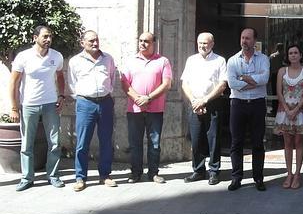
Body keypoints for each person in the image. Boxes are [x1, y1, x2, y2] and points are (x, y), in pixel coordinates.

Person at [8, 25, 66, 191]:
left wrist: (61, 95)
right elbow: (13, 82)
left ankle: (53, 175)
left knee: (54, 142)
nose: (48, 40)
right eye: (45, 36)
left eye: (50, 37)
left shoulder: (56, 56)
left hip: (50, 104)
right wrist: (14, 107)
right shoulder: (23, 57)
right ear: (35, 38)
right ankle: (27, 178)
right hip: (29, 105)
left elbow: (60, 76)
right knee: (27, 144)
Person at [68, 30, 117, 192]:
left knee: (106, 141)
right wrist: (82, 98)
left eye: (96, 40)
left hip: (105, 103)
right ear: (82, 43)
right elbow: (72, 83)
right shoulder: (75, 61)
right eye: (91, 41)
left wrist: (106, 93)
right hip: (85, 104)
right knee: (82, 143)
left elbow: (112, 78)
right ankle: (80, 177)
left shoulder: (108, 59)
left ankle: (105, 175)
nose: (95, 43)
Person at [121, 32, 172, 184]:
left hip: (155, 109)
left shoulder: (163, 61)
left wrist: (148, 98)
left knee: (154, 143)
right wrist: (137, 98)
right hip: (134, 109)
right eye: (141, 41)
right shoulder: (130, 61)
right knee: (135, 143)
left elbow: (167, 84)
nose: (143, 43)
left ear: (153, 43)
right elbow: (125, 83)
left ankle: (153, 173)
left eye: (146, 41)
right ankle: (135, 173)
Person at [226, 27, 270, 191]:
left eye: (248, 38)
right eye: (243, 38)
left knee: (258, 142)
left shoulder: (263, 59)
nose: (244, 41)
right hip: (238, 104)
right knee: (236, 142)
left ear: (255, 41)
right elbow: (232, 84)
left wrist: (243, 78)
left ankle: (258, 178)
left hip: (257, 104)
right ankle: (236, 178)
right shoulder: (232, 60)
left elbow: (264, 79)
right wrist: (252, 82)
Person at [181, 32, 227, 185]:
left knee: (213, 139)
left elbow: (222, 85)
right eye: (200, 43)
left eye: (205, 43)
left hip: (212, 104)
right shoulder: (191, 60)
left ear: (212, 44)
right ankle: (198, 170)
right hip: (194, 103)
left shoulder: (220, 60)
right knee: (196, 139)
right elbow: (184, 83)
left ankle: (214, 171)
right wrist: (195, 101)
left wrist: (205, 100)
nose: (202, 46)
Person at [274, 44, 303, 189]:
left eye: (296, 52)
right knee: (287, 143)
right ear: (287, 55)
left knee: (299, 142)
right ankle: (289, 173)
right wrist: (287, 109)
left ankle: (297, 174)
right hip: (285, 110)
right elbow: (279, 92)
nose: (293, 55)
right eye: (290, 53)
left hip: (302, 111)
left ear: (300, 55)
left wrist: (296, 109)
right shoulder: (281, 71)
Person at [269, 43, 284, 115]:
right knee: (282, 92)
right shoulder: (284, 56)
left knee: (274, 92)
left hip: (274, 76)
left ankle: (274, 109)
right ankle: (280, 109)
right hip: (282, 76)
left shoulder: (272, 56)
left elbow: (269, 67)